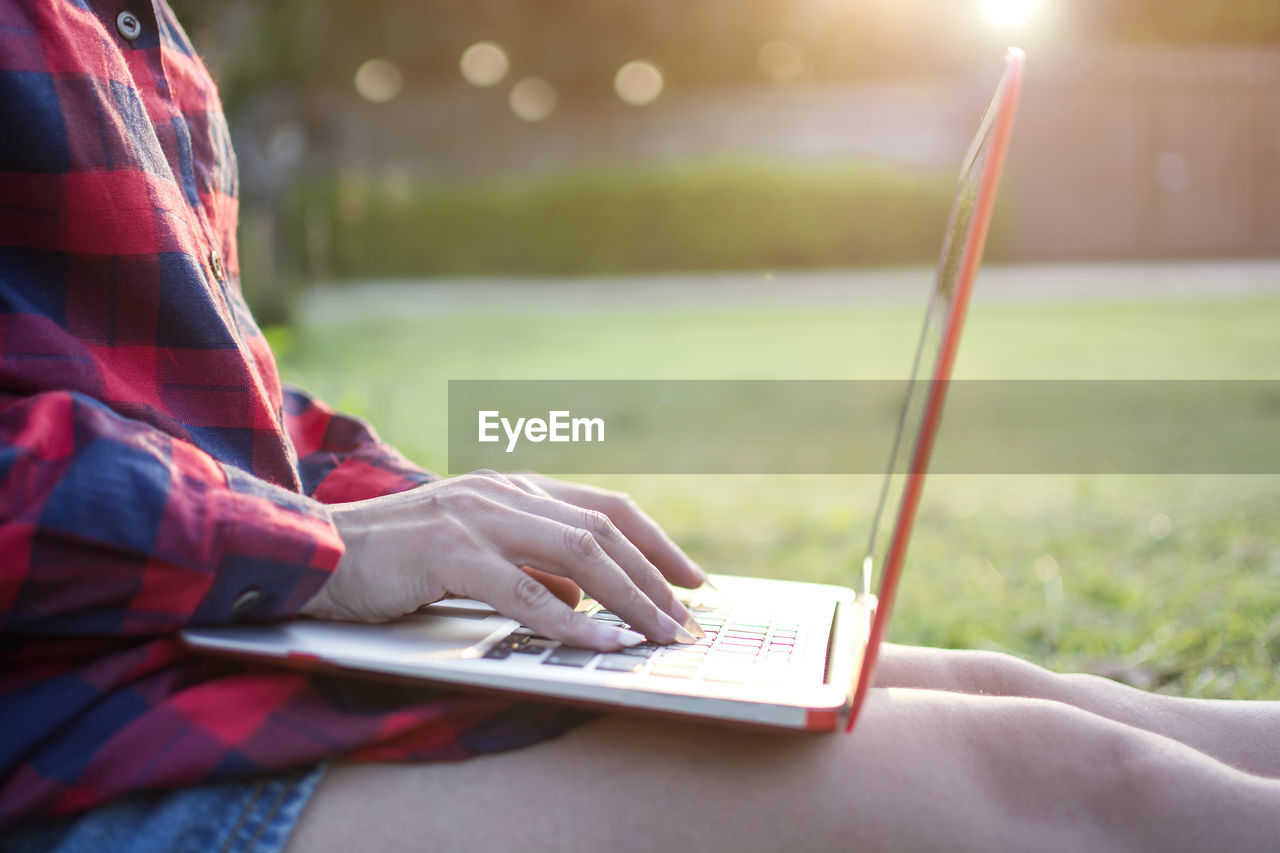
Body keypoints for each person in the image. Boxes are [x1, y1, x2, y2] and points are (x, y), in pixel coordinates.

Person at [1, 2, 1278, 851]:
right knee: (1058, 789)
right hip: (80, 749)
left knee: (1018, 695)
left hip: (200, 645)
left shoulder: (135, 28)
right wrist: (327, 553)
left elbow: (215, 410)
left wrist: (433, 514)